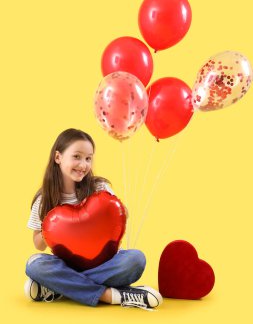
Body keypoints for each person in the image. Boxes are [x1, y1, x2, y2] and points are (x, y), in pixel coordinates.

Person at [25, 128, 163, 310]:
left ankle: (61, 287)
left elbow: (122, 218)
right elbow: (38, 244)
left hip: (104, 263)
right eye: (77, 156)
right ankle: (113, 295)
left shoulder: (100, 187)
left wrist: (114, 208)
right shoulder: (44, 199)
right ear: (58, 157)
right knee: (35, 264)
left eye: (88, 158)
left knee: (136, 259)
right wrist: (51, 227)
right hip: (65, 264)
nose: (83, 164)